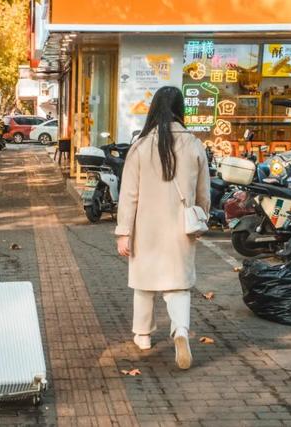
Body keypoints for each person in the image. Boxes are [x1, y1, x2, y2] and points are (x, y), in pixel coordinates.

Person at [115, 86, 210, 370]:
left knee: (144, 285)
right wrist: (201, 215)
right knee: (178, 286)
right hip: (180, 228)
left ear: (154, 109)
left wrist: (123, 232)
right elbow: (203, 192)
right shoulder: (194, 144)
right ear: (181, 109)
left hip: (145, 228)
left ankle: (143, 336)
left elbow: (129, 194)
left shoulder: (141, 146)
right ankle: (180, 331)